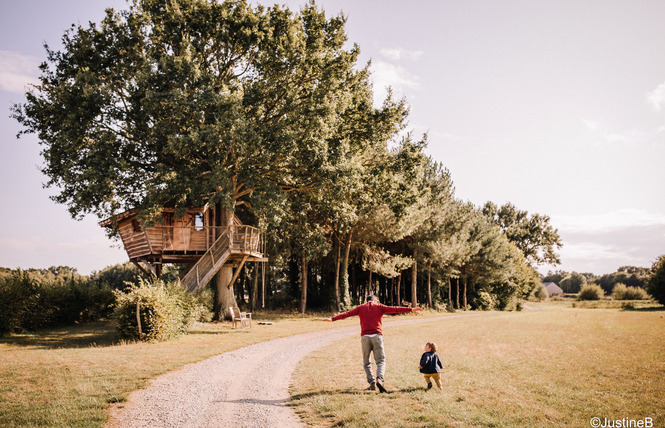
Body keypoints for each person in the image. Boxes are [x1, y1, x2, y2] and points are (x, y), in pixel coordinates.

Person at [326, 295, 422, 392]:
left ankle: (372, 383)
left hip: (365, 338)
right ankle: (379, 380)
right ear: (375, 300)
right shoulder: (379, 307)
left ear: (366, 301)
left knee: (366, 362)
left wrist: (332, 319)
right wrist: (411, 309)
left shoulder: (360, 308)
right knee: (380, 361)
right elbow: (395, 309)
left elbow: (347, 314)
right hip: (377, 337)